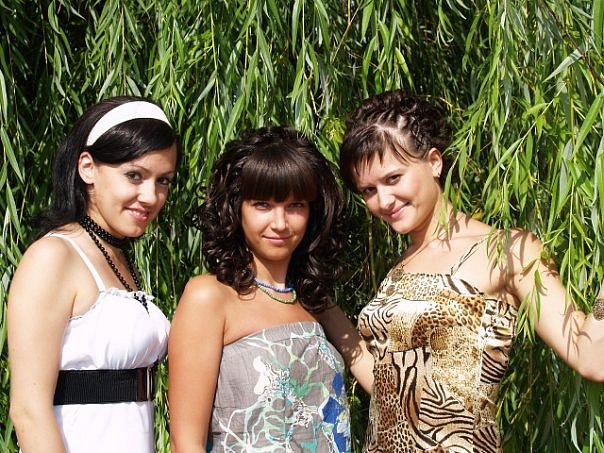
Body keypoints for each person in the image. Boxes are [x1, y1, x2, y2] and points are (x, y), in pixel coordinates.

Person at [322, 90, 604, 452]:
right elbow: (385, 387)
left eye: (393, 178)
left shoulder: (507, 250)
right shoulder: (400, 268)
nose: (383, 201)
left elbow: (589, 355)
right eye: (369, 190)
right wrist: (321, 306)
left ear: (434, 162)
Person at [168, 126, 359, 452]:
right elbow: (185, 442)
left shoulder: (313, 299)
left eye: (295, 205)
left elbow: (375, 372)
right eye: (262, 205)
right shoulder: (209, 297)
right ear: (236, 208)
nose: (280, 223)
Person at [8, 96, 180, 453]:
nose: (151, 196)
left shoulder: (116, 257)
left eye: (163, 181)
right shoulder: (53, 257)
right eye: (134, 176)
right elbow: (28, 411)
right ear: (87, 168)